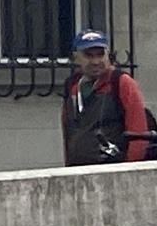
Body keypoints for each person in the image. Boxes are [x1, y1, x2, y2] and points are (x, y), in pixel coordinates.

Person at [60, 30, 151, 167]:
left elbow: (139, 134)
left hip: (111, 171)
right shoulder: (72, 86)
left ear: (108, 55)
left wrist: (129, 171)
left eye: (100, 55)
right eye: (88, 55)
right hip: (77, 172)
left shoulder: (121, 82)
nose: (95, 61)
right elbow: (68, 134)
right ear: (76, 57)